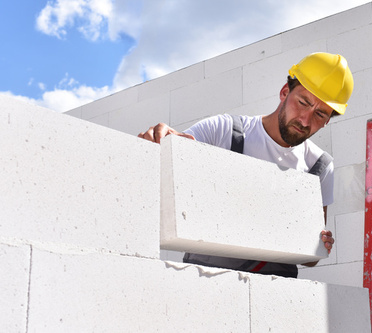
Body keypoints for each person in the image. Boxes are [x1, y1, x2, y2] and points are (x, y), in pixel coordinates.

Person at [138, 52, 353, 278]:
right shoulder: (223, 131)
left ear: (328, 120)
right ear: (284, 92)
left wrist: (319, 246)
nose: (305, 120)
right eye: (303, 102)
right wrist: (163, 141)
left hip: (271, 292)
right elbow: (175, 156)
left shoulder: (318, 166)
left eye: (319, 114)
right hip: (205, 283)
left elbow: (309, 258)